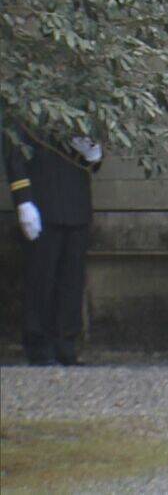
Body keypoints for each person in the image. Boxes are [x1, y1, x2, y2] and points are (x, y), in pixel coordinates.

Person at [3, 127, 102, 366]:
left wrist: (94, 154)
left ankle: (66, 345)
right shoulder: (31, 110)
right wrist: (24, 200)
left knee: (72, 282)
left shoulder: (81, 111)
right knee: (41, 280)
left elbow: (89, 164)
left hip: (76, 204)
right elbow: (15, 156)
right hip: (42, 204)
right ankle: (39, 346)